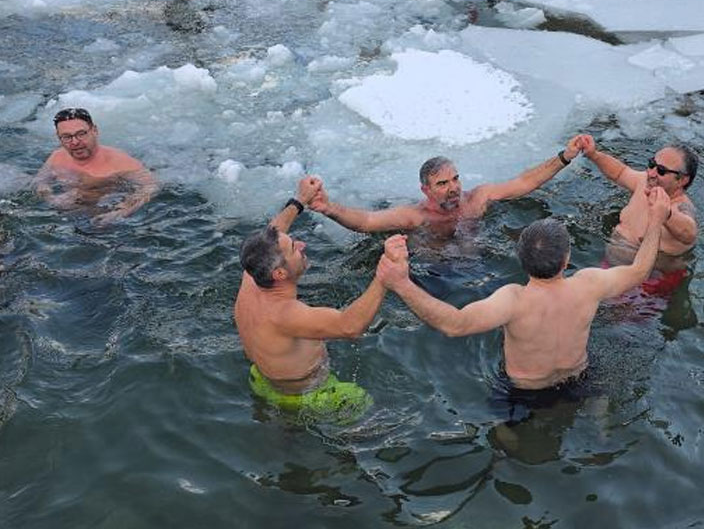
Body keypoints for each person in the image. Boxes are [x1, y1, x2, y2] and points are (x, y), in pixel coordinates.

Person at [377, 187, 672, 391]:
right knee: (597, 419)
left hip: (525, 391)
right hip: (581, 379)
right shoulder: (589, 285)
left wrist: (401, 284)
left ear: (522, 259)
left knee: (508, 452)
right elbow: (640, 270)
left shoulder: (513, 301)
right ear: (567, 258)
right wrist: (656, 218)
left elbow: (455, 324)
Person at [234, 175, 401, 418]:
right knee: (380, 420)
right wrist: (385, 275)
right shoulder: (285, 314)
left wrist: (299, 200)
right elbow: (350, 326)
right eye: (294, 248)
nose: (301, 245)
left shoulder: (251, 277)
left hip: (262, 380)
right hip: (309, 395)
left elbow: (273, 232)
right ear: (280, 273)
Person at [306, 141, 585, 236]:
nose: (453, 188)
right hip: (437, 272)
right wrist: (329, 208)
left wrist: (565, 157)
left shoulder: (478, 198)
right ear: (425, 190)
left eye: (455, 179)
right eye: (442, 183)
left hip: (477, 261)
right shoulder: (415, 216)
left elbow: (525, 183)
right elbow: (367, 221)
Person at [572, 135, 699, 295]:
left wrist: (665, 213)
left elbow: (689, 233)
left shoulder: (681, 207)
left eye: (661, 170)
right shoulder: (645, 182)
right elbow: (619, 172)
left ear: (682, 180)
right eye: (651, 164)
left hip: (647, 285)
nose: (651, 173)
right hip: (613, 269)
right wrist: (594, 155)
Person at [34, 107, 157, 225]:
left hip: (105, 218)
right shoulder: (57, 157)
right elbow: (40, 182)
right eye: (67, 137)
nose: (75, 142)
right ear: (59, 138)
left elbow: (151, 187)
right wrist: (51, 198)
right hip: (67, 215)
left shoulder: (120, 162)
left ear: (94, 131)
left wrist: (122, 212)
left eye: (81, 134)